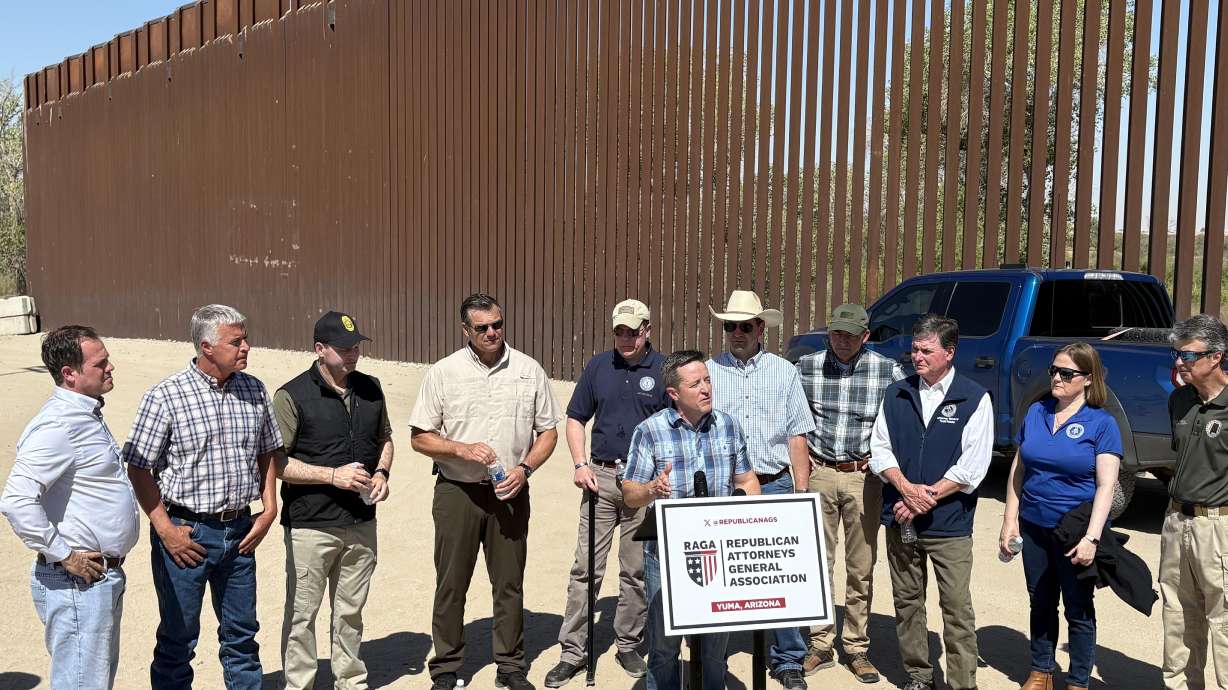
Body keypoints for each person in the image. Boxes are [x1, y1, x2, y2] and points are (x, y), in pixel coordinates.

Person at [123, 304, 283, 690]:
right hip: (186, 536)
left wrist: (269, 507)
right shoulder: (166, 396)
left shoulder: (254, 389)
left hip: (240, 533)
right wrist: (166, 530)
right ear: (207, 347)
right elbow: (138, 467)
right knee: (178, 640)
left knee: (242, 637)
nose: (246, 347)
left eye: (245, 338)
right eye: (236, 341)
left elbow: (268, 450)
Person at [409, 293, 561, 690]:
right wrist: (460, 449)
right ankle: (446, 667)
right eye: (482, 328)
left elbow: (548, 431)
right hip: (457, 492)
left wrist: (525, 469)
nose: (492, 332)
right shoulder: (444, 373)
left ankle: (510, 666)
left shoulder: (528, 370)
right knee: (451, 583)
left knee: (509, 583)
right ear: (465, 330)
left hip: (510, 492)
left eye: (497, 324)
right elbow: (420, 437)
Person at [0, 326, 140, 690]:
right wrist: (64, 554)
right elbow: (16, 499)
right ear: (69, 373)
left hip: (95, 580)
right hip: (77, 583)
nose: (111, 367)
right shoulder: (59, 424)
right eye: (100, 363)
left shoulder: (84, 414)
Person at [544, 299, 668, 687]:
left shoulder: (663, 370)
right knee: (585, 569)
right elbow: (575, 418)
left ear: (648, 330)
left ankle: (628, 643)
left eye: (633, 332)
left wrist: (659, 478)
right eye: (620, 332)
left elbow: (675, 424)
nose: (626, 339)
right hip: (600, 477)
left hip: (642, 485)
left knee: (635, 569)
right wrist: (580, 464)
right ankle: (573, 651)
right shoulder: (598, 366)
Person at [622, 349, 762, 690]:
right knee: (664, 648)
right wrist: (652, 489)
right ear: (674, 393)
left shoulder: (728, 426)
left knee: (715, 649)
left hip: (719, 555)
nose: (706, 389)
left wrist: (748, 517)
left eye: (708, 380)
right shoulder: (650, 431)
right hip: (667, 555)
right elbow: (629, 493)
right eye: (695, 383)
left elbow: (747, 481)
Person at [868, 314, 993, 690]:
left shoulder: (974, 398)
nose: (917, 357)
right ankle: (919, 676)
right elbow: (880, 450)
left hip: (949, 526)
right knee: (907, 603)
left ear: (949, 353)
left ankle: (962, 683)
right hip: (901, 520)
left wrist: (923, 498)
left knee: (956, 608)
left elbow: (972, 467)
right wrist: (905, 488)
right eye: (914, 349)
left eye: (926, 350)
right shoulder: (897, 393)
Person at [274, 311, 395, 690]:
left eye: (356, 346)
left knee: (350, 613)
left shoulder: (371, 388)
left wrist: (382, 473)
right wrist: (332, 475)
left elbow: (385, 439)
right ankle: (300, 685)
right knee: (302, 616)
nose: (353, 354)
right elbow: (277, 463)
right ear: (320, 349)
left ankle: (350, 682)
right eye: (344, 349)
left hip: (361, 522)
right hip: (311, 526)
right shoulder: (291, 395)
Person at [706, 290, 815, 689]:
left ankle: (788, 660)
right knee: (720, 575)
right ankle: (713, 658)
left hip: (775, 484)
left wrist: (801, 493)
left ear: (760, 329)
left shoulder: (785, 372)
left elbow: (797, 435)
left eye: (745, 326)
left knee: (780, 575)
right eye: (730, 326)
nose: (737, 333)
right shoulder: (708, 372)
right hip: (724, 488)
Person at [999, 343, 1122, 690]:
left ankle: (1078, 681)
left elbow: (1107, 486)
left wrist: (1092, 538)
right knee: (1040, 600)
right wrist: (1010, 519)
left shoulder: (1102, 423)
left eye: (1066, 373)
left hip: (1076, 530)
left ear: (1088, 378)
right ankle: (1041, 670)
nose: (1056, 378)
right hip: (1034, 526)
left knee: (1078, 607)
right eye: (1053, 370)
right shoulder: (1037, 412)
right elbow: (1019, 469)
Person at [796, 304, 904, 683]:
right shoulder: (805, 368)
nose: (842, 341)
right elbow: (789, 416)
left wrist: (887, 458)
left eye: (851, 335)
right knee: (817, 561)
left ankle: (857, 647)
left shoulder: (887, 371)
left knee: (861, 565)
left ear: (866, 336)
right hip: (820, 472)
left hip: (863, 477)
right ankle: (820, 642)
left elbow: (905, 419)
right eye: (837, 334)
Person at [1163, 314, 1228, 690]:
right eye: (1176, 354)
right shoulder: (1180, 400)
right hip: (1176, 522)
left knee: (1223, 620)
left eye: (1187, 355)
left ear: (1216, 357)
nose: (1179, 362)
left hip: (1218, 527)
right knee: (1177, 617)